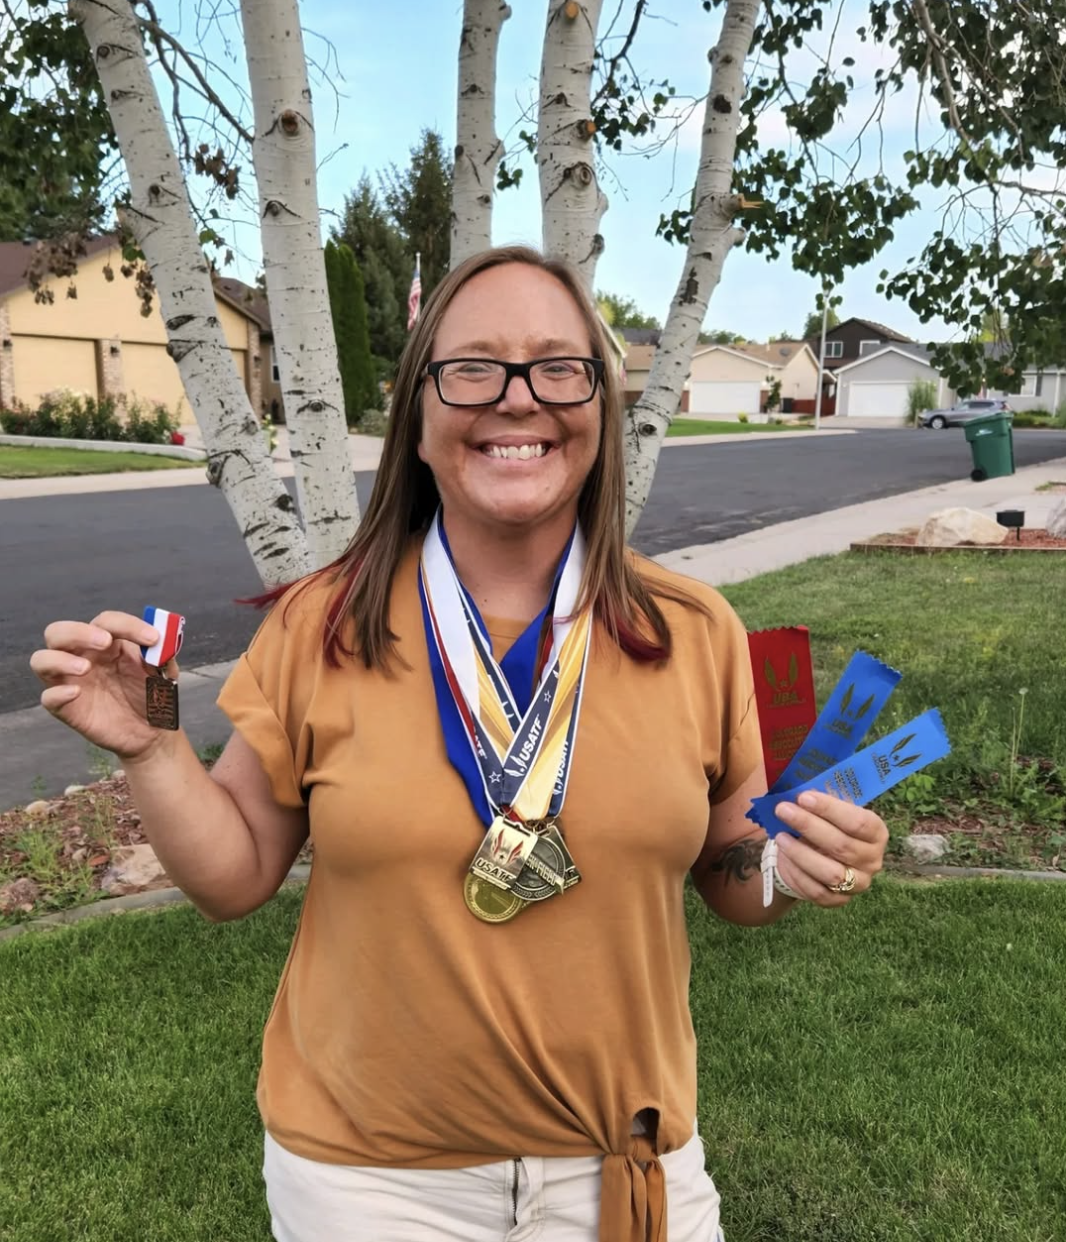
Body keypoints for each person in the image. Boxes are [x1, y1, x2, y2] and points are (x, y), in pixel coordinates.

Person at [31, 246, 888, 1242]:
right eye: (472, 367)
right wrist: (151, 750)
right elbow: (233, 878)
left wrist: (792, 861)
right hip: (369, 1183)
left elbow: (733, 872)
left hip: (624, 1162)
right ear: (421, 414)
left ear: (601, 411)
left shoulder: (691, 629)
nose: (517, 400)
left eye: (558, 368)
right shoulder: (323, 622)